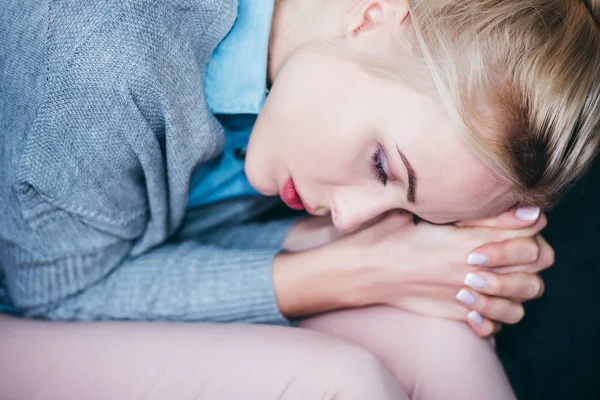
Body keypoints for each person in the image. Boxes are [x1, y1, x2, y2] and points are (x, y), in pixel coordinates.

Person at [0, 0, 598, 399]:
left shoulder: (313, 68)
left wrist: (464, 263)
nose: (350, 217)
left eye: (408, 211)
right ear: (372, 14)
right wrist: (355, 270)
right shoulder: (101, 63)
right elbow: (56, 292)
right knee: (343, 384)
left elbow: (162, 227)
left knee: (446, 335)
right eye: (382, 166)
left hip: (101, 267)